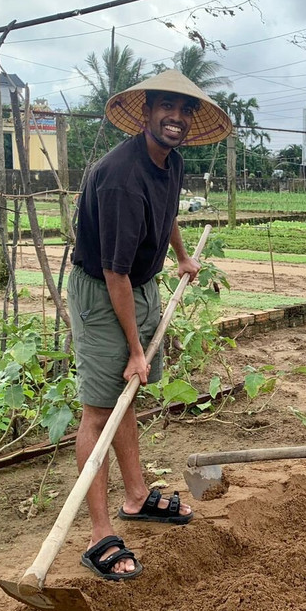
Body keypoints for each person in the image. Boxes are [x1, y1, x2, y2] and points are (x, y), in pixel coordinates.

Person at [68, 70, 232, 581]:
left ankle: (136, 497)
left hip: (140, 285)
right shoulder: (120, 177)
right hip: (104, 292)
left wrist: (181, 256)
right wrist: (136, 350)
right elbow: (114, 272)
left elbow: (167, 214)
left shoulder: (171, 162)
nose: (176, 118)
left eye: (184, 111)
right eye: (166, 107)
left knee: (128, 399)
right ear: (145, 113)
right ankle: (99, 535)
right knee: (99, 411)